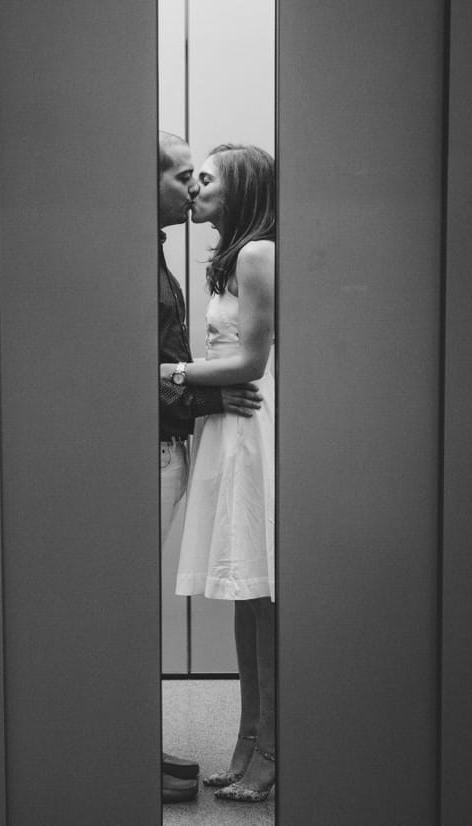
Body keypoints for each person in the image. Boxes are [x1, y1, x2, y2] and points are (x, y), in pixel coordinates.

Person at [164, 143, 278, 803]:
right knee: (244, 594)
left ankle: (269, 751)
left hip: (250, 430)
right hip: (228, 427)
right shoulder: (234, 257)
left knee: (262, 596)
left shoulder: (258, 253)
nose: (194, 187)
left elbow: (252, 362)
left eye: (206, 177)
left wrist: (170, 372)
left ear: (239, 189)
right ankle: (247, 739)